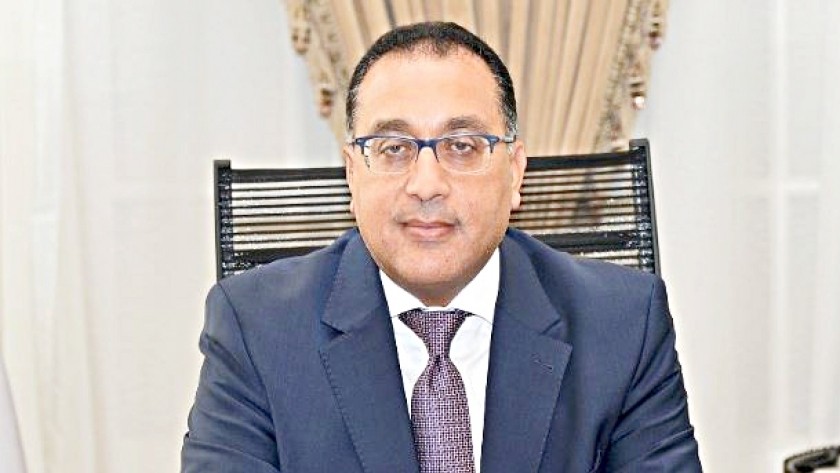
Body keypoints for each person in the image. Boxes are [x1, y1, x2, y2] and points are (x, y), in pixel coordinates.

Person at [182, 21, 702, 473]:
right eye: (393, 148)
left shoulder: (624, 324)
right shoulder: (256, 329)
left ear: (515, 172)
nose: (426, 184)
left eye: (462, 146)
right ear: (352, 175)